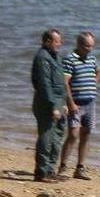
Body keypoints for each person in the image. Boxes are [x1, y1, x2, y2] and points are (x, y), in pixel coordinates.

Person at [60, 31, 100, 180]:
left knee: (86, 134)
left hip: (90, 102)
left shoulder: (92, 58)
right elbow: (64, 82)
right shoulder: (69, 60)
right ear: (78, 45)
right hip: (76, 103)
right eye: (87, 46)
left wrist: (93, 84)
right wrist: (70, 103)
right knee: (73, 134)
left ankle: (80, 168)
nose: (90, 49)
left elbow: (99, 71)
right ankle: (63, 166)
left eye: (92, 46)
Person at [31, 29, 67, 182]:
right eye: (57, 41)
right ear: (47, 42)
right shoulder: (42, 57)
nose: (60, 44)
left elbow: (60, 82)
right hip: (46, 103)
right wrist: (53, 105)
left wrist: (63, 103)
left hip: (58, 101)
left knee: (57, 137)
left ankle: (51, 170)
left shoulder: (55, 56)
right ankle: (42, 172)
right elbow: (44, 84)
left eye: (60, 41)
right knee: (46, 138)